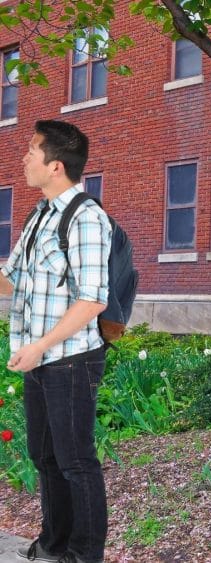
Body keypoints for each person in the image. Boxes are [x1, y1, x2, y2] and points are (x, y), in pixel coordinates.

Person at [1, 120, 111, 563]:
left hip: (70, 360)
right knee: (44, 456)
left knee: (75, 461)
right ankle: (55, 542)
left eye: (32, 150)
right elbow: (14, 279)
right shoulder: (39, 214)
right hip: (39, 359)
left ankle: (85, 554)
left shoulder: (85, 217)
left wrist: (41, 345)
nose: (24, 157)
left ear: (56, 166)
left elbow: (91, 301)